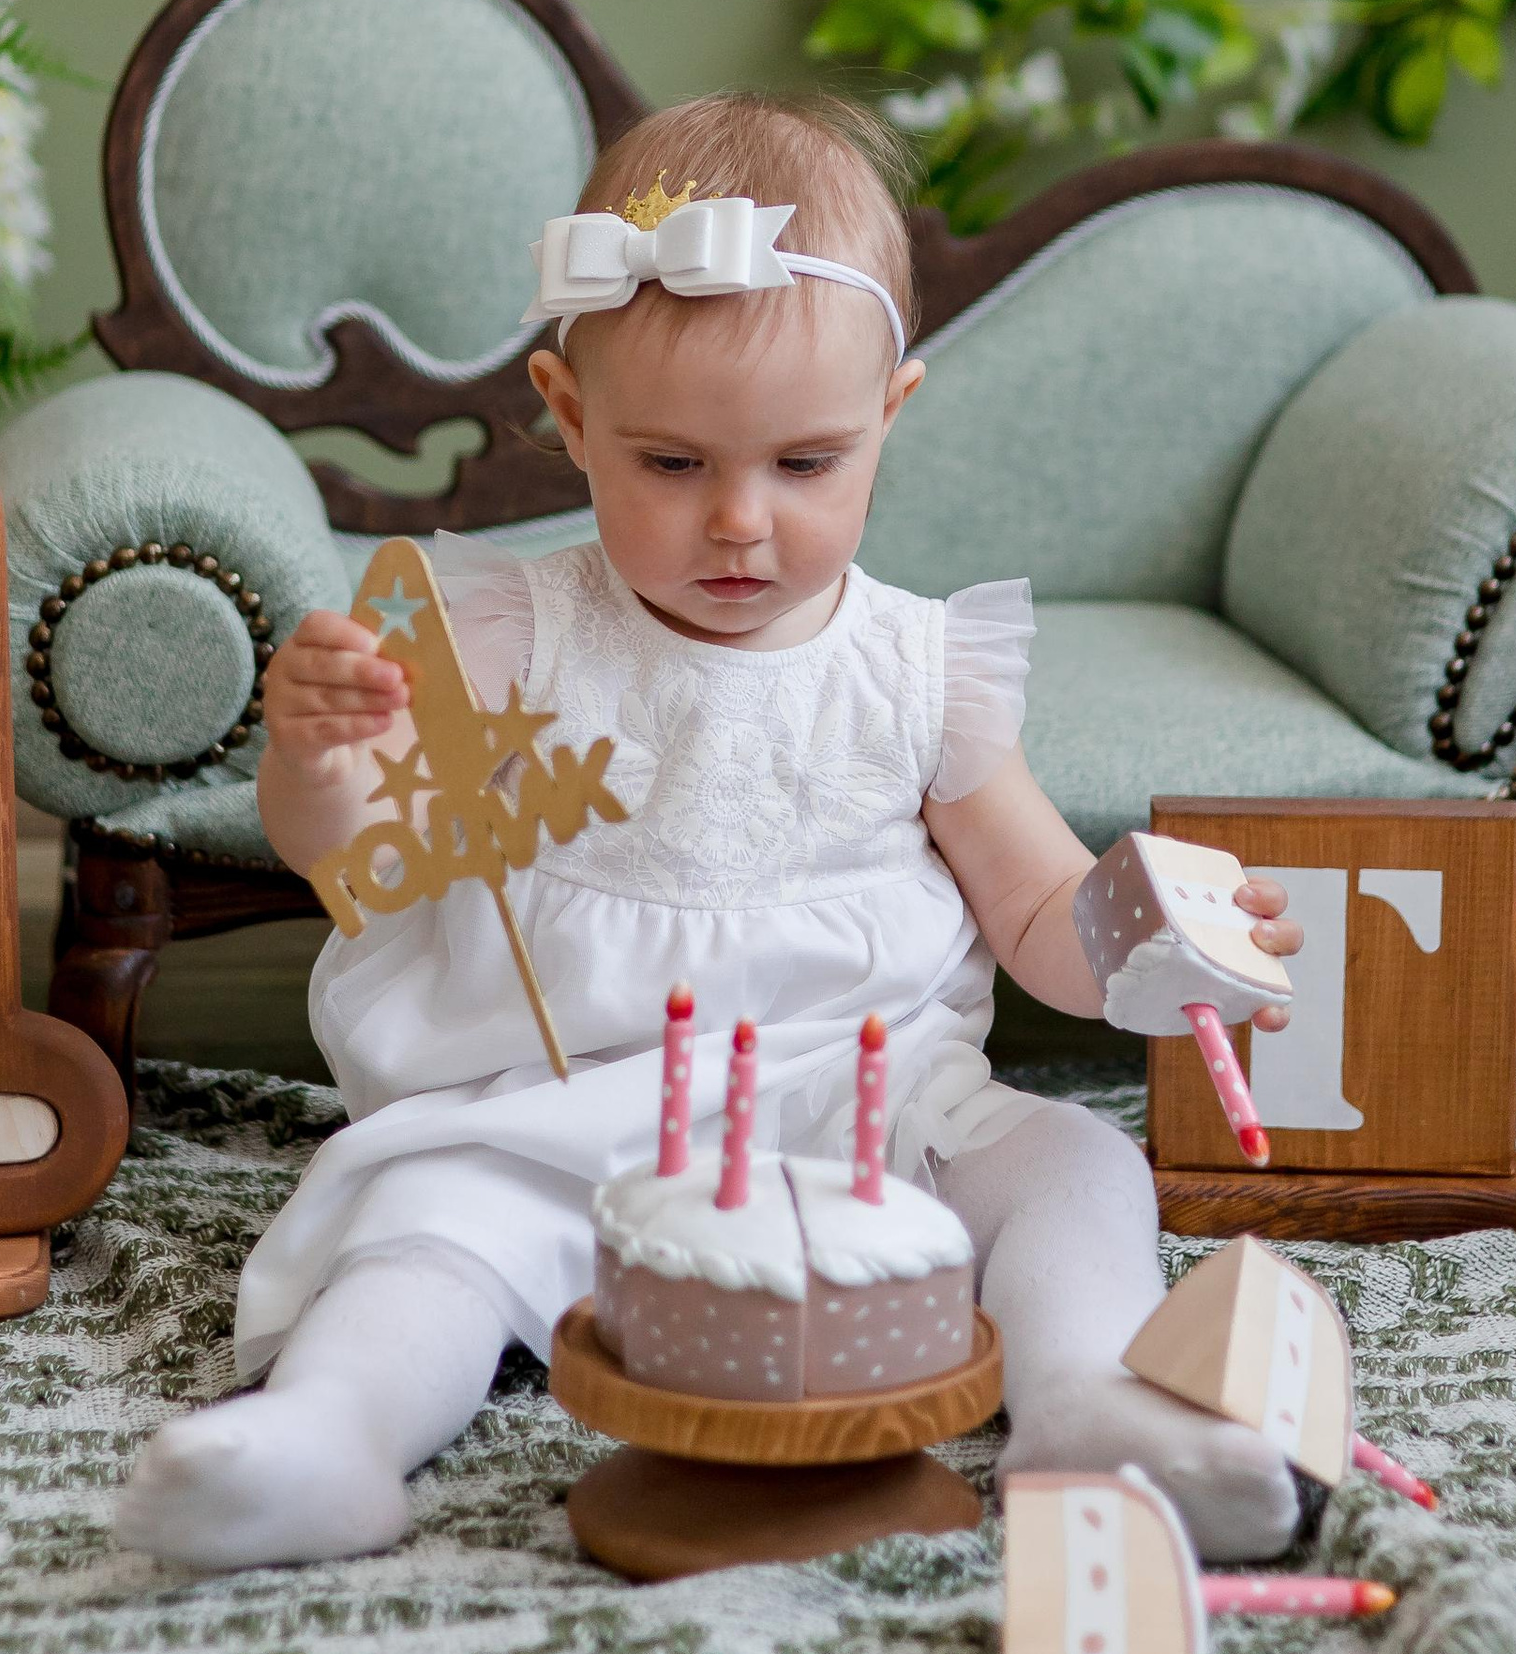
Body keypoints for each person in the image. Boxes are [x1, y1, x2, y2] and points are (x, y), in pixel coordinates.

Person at [117, 90, 1305, 1573]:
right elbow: (347, 854)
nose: (740, 522)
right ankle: (329, 1439)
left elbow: (1035, 911)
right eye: (672, 466)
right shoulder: (510, 631)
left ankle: (1082, 1399)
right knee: (422, 1235)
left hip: (862, 1108)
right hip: (549, 1108)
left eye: (805, 465)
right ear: (570, 418)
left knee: (1075, 1167)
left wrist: (1155, 940)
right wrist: (317, 754)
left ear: (890, 414)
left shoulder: (920, 668)